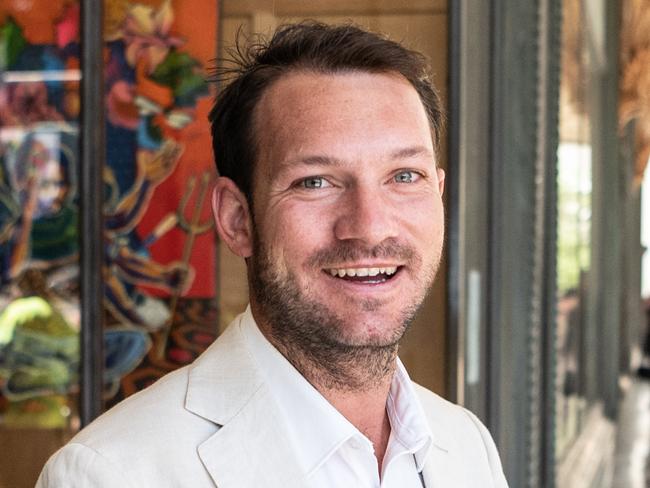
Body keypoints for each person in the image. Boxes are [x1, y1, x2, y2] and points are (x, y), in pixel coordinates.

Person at [37, 22, 509, 487]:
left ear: (439, 194)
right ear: (238, 219)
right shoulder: (110, 473)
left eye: (405, 175)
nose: (369, 225)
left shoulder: (467, 444)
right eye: (315, 182)